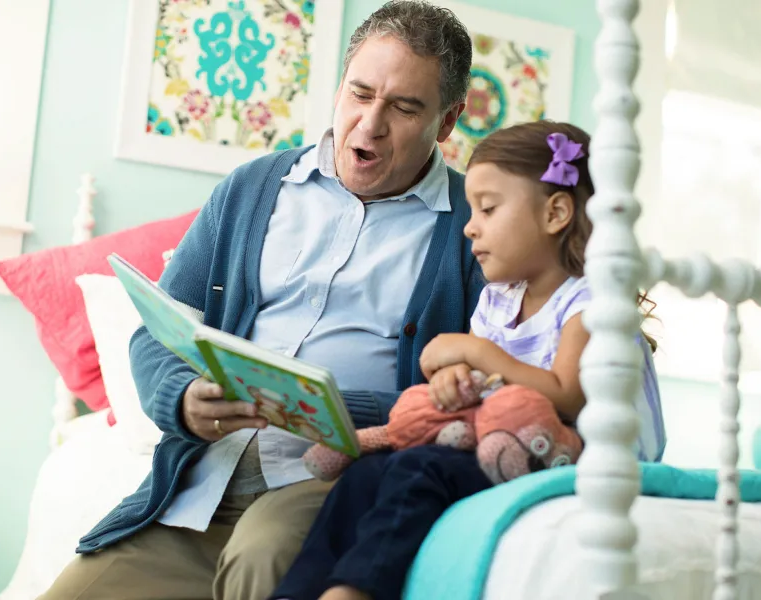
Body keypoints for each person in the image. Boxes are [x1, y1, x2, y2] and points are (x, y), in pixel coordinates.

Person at [38, 2, 483, 599]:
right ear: (339, 87)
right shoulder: (251, 188)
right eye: (360, 93)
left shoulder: (473, 230)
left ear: (448, 121)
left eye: (404, 108)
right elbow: (157, 330)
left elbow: (479, 392)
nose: (370, 124)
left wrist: (336, 407)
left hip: (331, 480)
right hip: (198, 485)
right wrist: (182, 399)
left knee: (263, 554)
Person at [269, 120, 667, 600]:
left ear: (556, 212)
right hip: (497, 441)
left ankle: (356, 590)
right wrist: (457, 377)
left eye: (489, 208)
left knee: (423, 471)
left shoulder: (591, 304)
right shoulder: (499, 299)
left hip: (569, 457)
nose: (470, 226)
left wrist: (479, 354)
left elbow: (567, 396)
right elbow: (479, 380)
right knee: (367, 473)